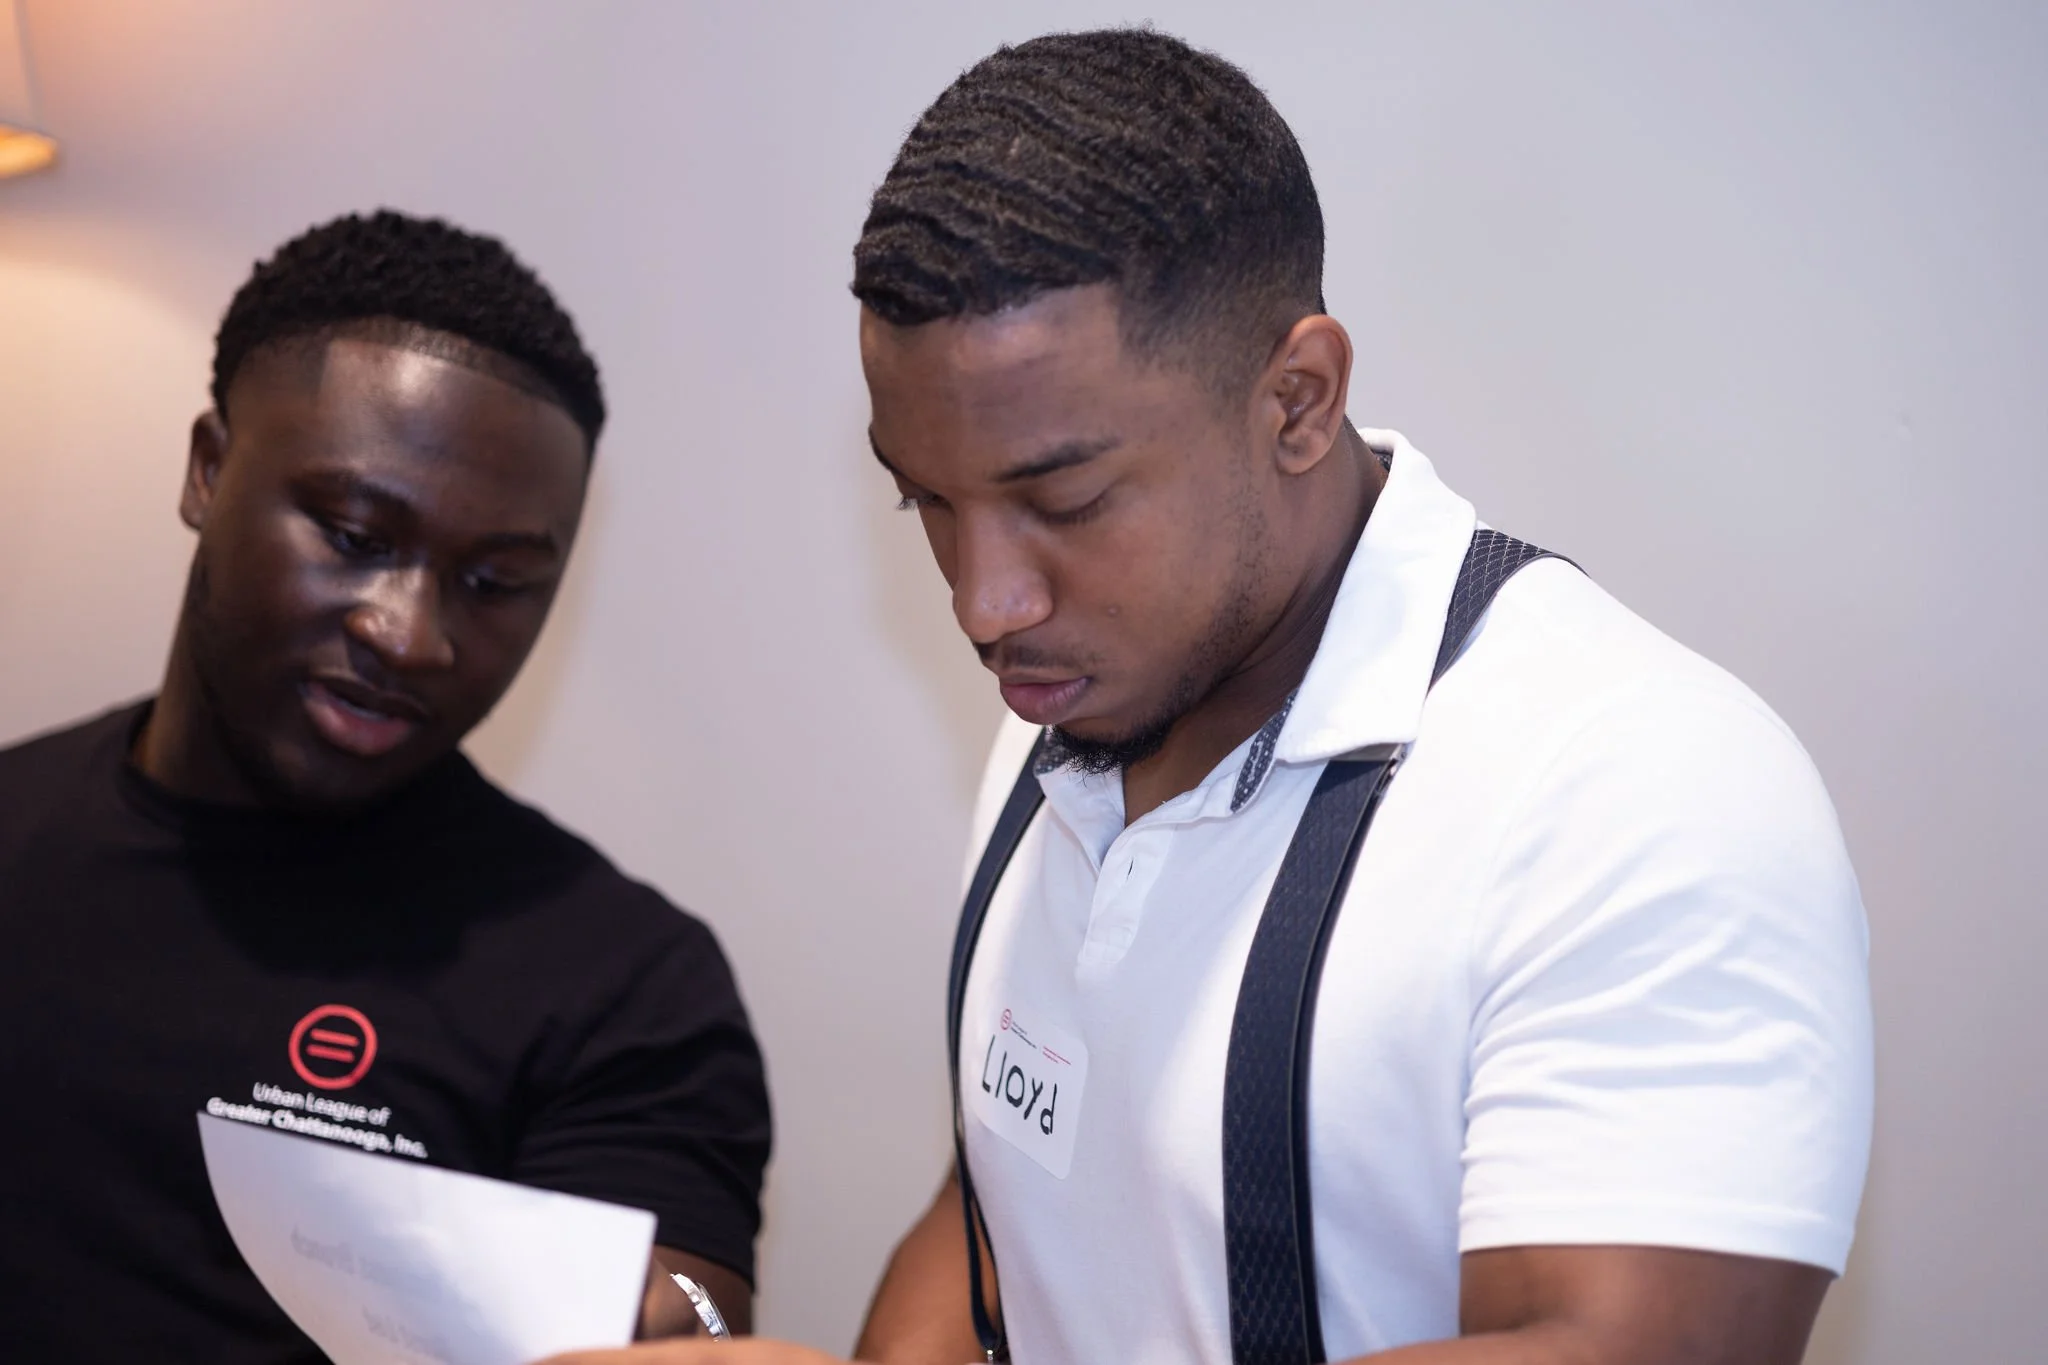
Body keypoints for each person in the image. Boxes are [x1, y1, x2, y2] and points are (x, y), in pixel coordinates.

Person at [549, 27, 1871, 1365]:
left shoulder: (1634, 783)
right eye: (928, 502)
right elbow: (1007, 1207)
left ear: (1296, 400)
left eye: (1062, 501)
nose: (984, 603)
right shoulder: (1067, 721)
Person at [0, 209, 771, 1359]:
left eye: (494, 581)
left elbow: (702, 1309)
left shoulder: (621, 985)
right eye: (356, 535)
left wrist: (670, 1316)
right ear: (208, 471)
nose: (412, 635)